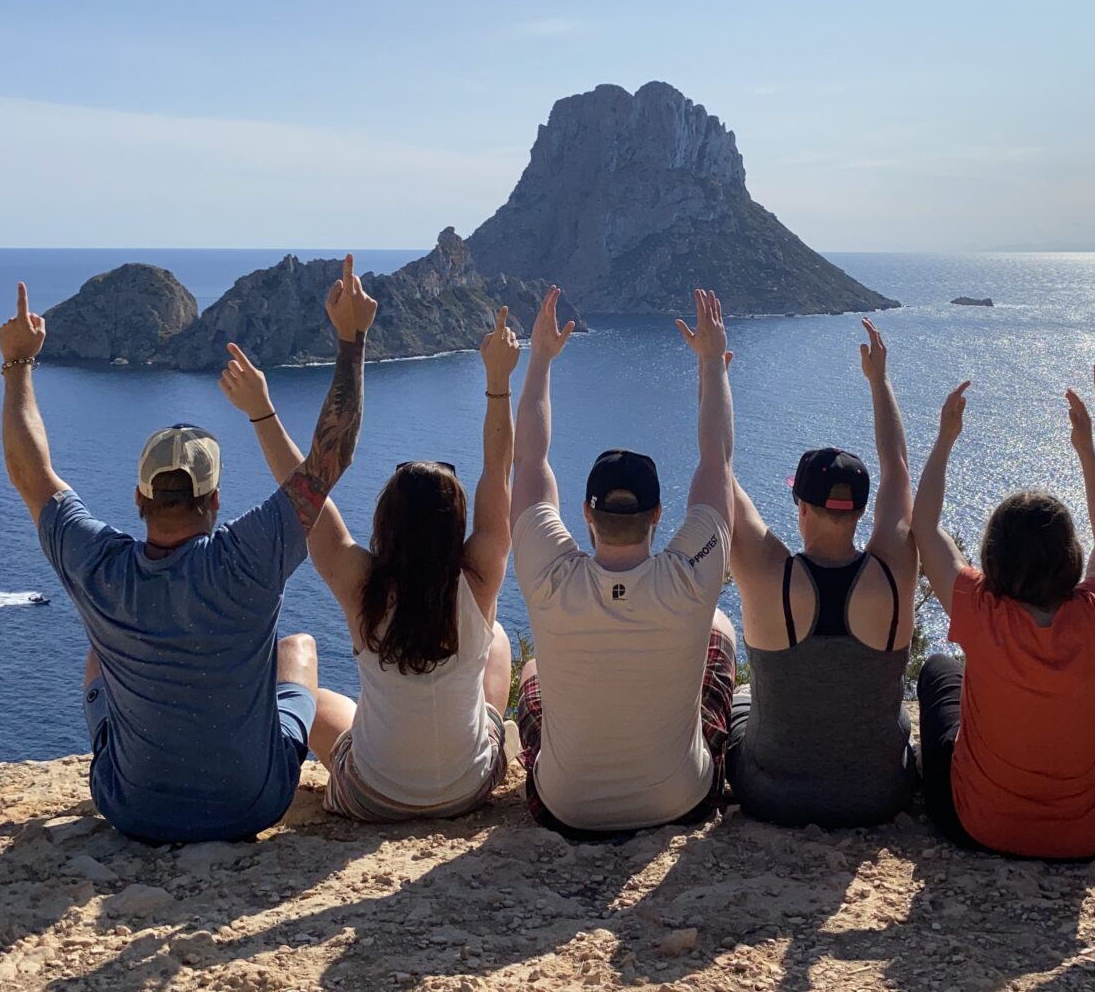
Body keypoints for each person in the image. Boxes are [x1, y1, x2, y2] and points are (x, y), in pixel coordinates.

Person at [0, 257, 377, 844]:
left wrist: (18, 365)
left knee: (100, 655)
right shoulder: (249, 556)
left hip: (132, 809)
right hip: (253, 804)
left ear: (140, 497)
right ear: (215, 499)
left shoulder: (97, 565)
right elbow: (332, 456)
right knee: (298, 648)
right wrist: (352, 341)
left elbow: (31, 474)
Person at [214, 306, 522, 822]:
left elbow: (305, 493)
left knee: (307, 697)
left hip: (372, 797)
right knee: (498, 639)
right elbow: (498, 468)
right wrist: (498, 382)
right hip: (469, 788)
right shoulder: (481, 575)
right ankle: (478, 733)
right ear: (455, 525)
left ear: (386, 520)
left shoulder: (358, 582)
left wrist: (261, 411)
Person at [509, 286, 737, 837]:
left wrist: (539, 360)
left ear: (586, 513)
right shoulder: (689, 576)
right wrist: (711, 364)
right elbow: (717, 460)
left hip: (564, 808)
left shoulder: (549, 574)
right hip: (682, 801)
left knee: (533, 677)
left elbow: (530, 461)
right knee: (722, 630)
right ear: (658, 513)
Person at [912, 380, 1095, 857]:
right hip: (1085, 835)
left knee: (938, 670)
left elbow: (924, 527)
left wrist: (945, 440)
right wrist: (1087, 451)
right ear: (1069, 557)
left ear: (994, 556)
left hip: (980, 826)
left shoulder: (980, 609)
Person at [725, 319, 917, 828]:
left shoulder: (769, 577)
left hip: (772, 798)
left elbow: (718, 470)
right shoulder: (893, 570)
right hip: (879, 797)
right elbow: (896, 465)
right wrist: (879, 381)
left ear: (802, 507)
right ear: (862, 512)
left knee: (740, 702)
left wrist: (712, 375)